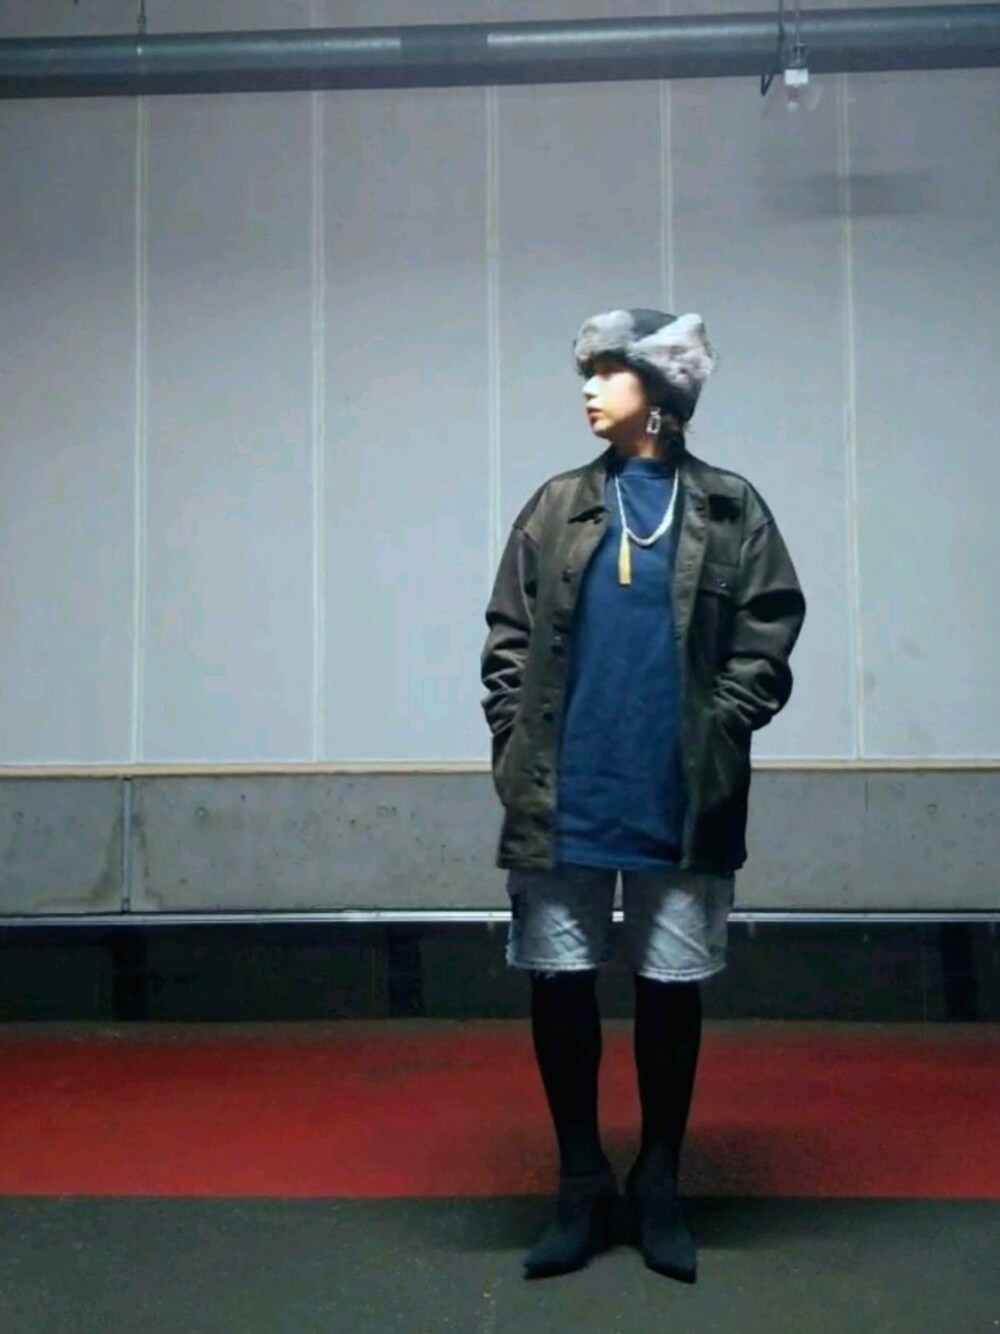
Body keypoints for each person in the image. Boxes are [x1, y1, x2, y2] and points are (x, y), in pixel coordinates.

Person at [480, 308, 806, 1283]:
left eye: (607, 370)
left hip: (681, 795)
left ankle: (659, 1180)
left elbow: (767, 633)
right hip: (565, 795)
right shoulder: (555, 505)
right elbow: (507, 637)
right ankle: (581, 1181)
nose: (587, 387)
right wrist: (512, 742)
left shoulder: (730, 508)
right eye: (585, 371)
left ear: (660, 390)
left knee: (670, 989)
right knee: (560, 983)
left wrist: (721, 727)